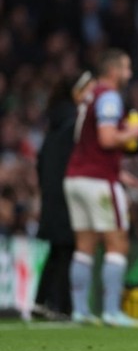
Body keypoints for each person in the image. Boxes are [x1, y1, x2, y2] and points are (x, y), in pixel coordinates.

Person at [64, 48, 138, 327]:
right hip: (98, 181)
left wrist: (117, 171)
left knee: (84, 246)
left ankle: (80, 310)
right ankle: (110, 311)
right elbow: (106, 139)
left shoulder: (89, 95)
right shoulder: (109, 97)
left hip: (76, 178)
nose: (129, 74)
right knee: (117, 243)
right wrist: (133, 132)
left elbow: (90, 140)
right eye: (127, 68)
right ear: (114, 70)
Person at [33, 71, 94, 321]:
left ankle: (41, 301)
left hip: (51, 192)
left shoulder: (56, 121)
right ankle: (62, 306)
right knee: (68, 247)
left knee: (58, 248)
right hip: (67, 191)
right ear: (76, 92)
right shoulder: (74, 122)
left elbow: (40, 161)